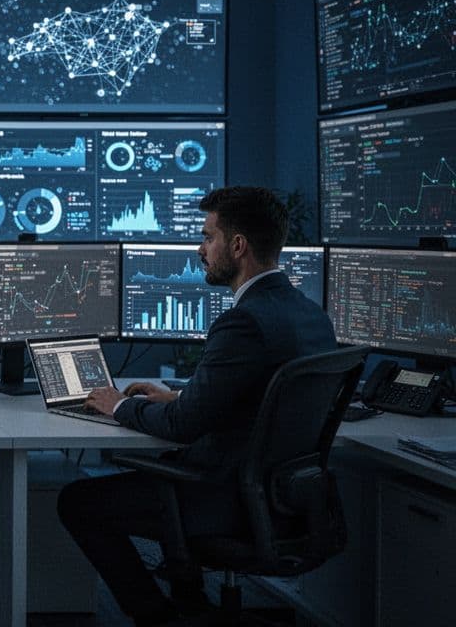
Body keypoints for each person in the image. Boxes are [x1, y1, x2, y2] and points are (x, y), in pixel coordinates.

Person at [58, 186, 337, 627]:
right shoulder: (310, 314)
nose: (200, 249)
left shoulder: (242, 321)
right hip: (287, 497)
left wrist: (117, 406)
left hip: (226, 499)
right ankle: (191, 605)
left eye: (208, 237)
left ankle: (161, 617)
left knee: (76, 502)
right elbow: (260, 396)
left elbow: (183, 426)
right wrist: (180, 394)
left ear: (238, 245)